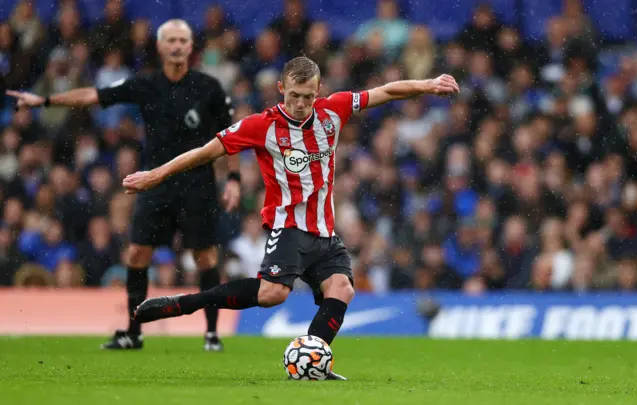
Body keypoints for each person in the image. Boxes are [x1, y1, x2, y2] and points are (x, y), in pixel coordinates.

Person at [122, 56, 459, 379]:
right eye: (294, 95)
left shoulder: (333, 110)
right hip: (289, 227)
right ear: (281, 88)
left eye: (308, 96)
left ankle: (313, 361)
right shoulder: (261, 125)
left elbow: (385, 91)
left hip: (325, 231)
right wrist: (157, 175)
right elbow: (205, 152)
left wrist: (427, 85)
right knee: (273, 295)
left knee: (341, 289)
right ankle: (186, 304)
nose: (301, 103)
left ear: (319, 90)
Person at [7, 19, 240, 351]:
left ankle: (212, 333)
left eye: (182, 40)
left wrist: (232, 178)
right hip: (153, 182)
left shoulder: (208, 88)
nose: (176, 45)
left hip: (197, 184)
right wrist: (44, 101)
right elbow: (93, 95)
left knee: (204, 257)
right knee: (136, 253)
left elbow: (229, 137)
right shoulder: (146, 84)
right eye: (170, 40)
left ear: (191, 47)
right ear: (160, 47)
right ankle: (134, 331)